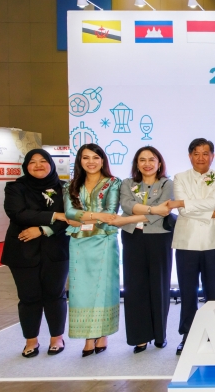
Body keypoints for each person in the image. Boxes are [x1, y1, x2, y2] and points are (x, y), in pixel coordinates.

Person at [1, 149, 70, 358]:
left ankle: (56, 338)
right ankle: (31, 340)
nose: (38, 165)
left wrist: (41, 228)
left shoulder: (64, 188)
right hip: (22, 251)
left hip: (56, 250)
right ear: (26, 166)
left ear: (51, 164)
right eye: (33, 162)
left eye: (43, 161)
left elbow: (71, 218)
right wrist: (55, 215)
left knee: (55, 295)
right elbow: (18, 213)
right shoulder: (15, 188)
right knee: (28, 297)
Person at [170, 138, 215, 354]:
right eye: (196, 153)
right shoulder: (179, 178)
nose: (201, 157)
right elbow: (183, 210)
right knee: (187, 291)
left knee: (212, 291)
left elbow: (212, 202)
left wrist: (194, 206)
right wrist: (213, 214)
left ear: (212, 156)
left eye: (205, 153)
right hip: (186, 241)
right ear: (190, 156)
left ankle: (214, 334)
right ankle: (188, 335)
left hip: (213, 240)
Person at [111, 146, 174, 354]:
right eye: (142, 159)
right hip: (132, 238)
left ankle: (159, 335)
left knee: (159, 285)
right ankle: (140, 337)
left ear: (159, 163)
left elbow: (163, 212)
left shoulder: (167, 183)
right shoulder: (127, 183)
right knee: (135, 287)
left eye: (151, 159)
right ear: (136, 164)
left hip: (160, 238)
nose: (147, 163)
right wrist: (152, 209)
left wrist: (129, 218)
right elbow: (127, 204)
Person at [63, 143, 121, 357]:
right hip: (78, 242)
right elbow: (69, 212)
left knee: (104, 288)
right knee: (81, 291)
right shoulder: (72, 185)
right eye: (86, 157)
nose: (91, 162)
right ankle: (88, 337)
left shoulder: (113, 183)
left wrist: (85, 216)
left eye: (95, 157)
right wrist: (95, 216)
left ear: (103, 160)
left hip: (104, 240)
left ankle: (103, 333)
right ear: (79, 161)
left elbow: (111, 212)